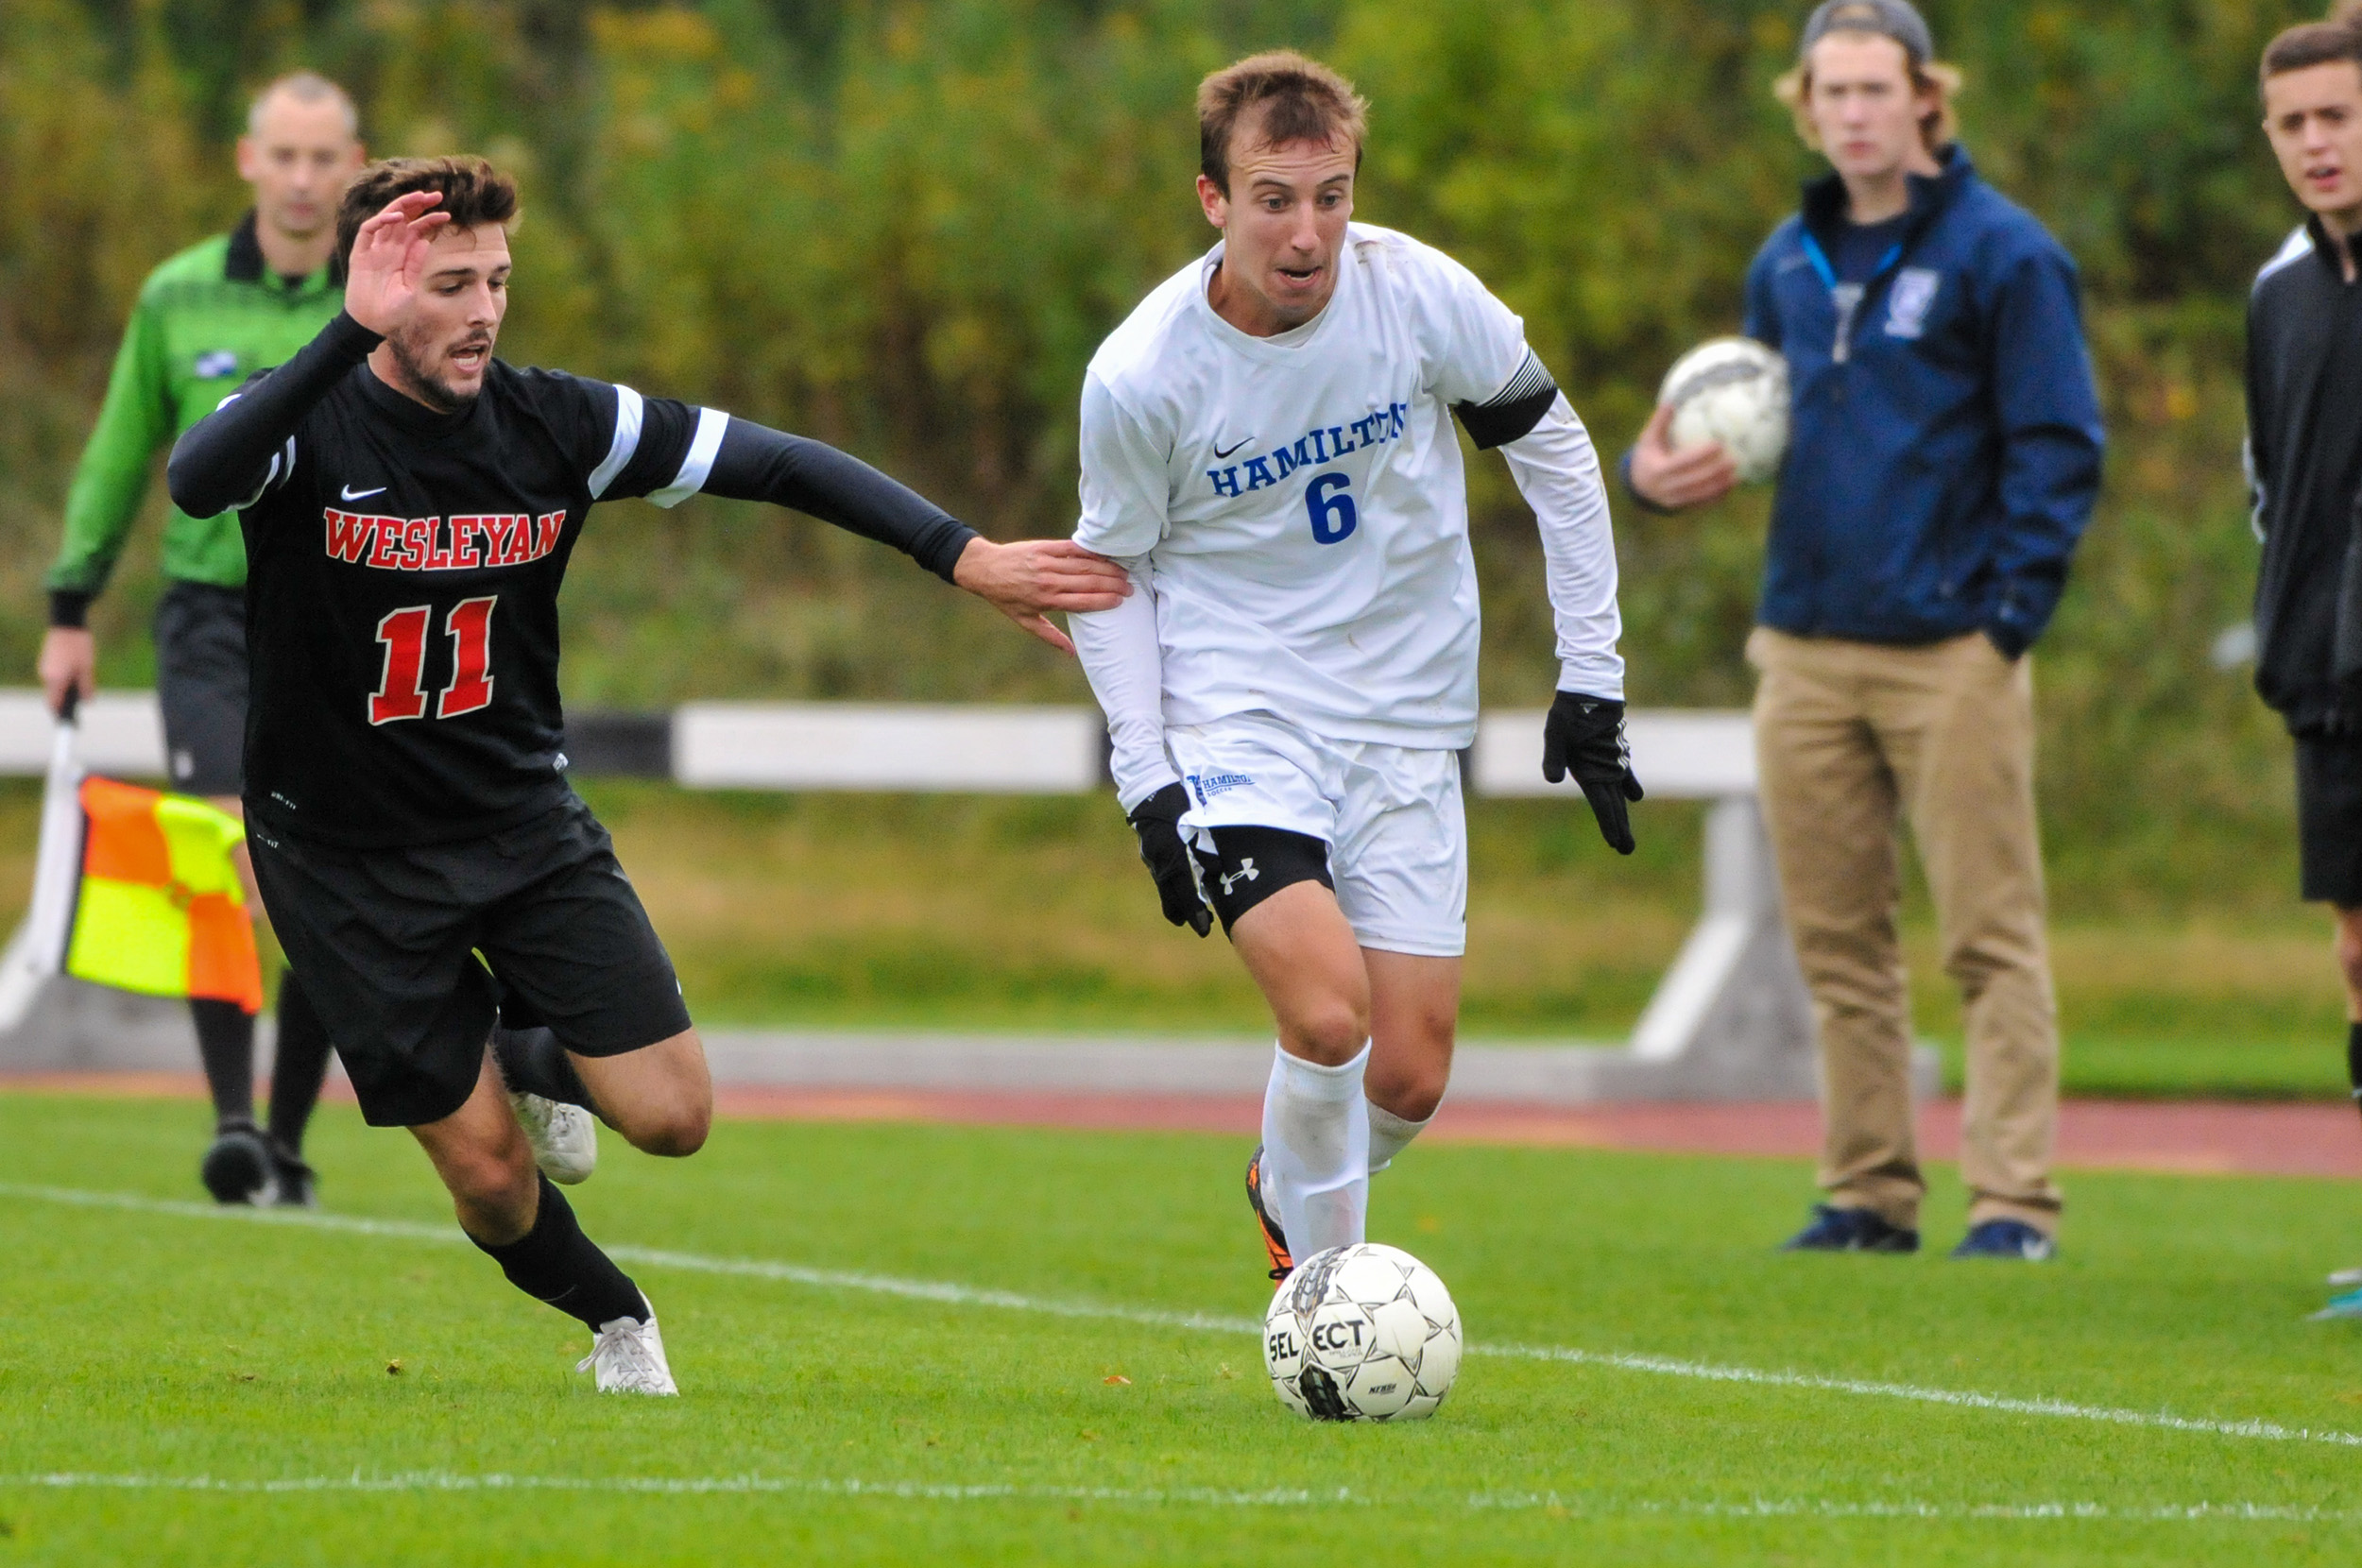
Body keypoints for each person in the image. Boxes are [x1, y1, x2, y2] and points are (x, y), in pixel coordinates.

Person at [165, 156, 1130, 1391]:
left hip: (517, 824)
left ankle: (527, 1046)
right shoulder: (310, 425)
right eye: (448, 284)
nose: (482, 311)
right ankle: (617, 1318)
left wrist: (961, 553)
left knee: (674, 1117)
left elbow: (775, 461)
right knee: (494, 1184)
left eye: (498, 281)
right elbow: (197, 480)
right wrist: (344, 334)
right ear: (377, 284)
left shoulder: (556, 424)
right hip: (343, 860)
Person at [1069, 52, 1635, 1296]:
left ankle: (1287, 1181)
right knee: (1328, 1016)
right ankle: (1326, 1310)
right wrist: (1149, 780)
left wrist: (1591, 674)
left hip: (1406, 722)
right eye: (1274, 197)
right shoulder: (1143, 373)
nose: (1309, 230)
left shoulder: (1417, 294)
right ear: (1212, 200)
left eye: (1331, 194)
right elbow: (1108, 580)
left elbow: (1553, 442)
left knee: (1409, 1076)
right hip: (1241, 714)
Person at [1624, 0, 2102, 1261]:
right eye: (1829, 92)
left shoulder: (2007, 254)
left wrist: (2008, 622)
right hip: (1803, 641)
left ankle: (2012, 1205)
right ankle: (1869, 1194)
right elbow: (1742, 423)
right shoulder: (1787, 260)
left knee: (1990, 941)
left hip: (1954, 651)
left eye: (1875, 90)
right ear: (1806, 104)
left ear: (1925, 99)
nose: (1852, 113)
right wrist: (1649, 469)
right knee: (1838, 948)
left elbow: (2060, 449)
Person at [40, 72, 370, 1208]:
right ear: (247, 159)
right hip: (209, 622)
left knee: (317, 872)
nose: (302, 178)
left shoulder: (378, 297)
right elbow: (119, 455)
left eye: (324, 158)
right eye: (283, 154)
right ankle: (233, 1124)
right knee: (222, 851)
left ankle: (285, 1141)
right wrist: (70, 608)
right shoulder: (177, 297)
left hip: (339, 612)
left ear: (354, 162)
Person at [2245, 9, 2362, 1319]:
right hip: (2329, 674)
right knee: (2358, 958)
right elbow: (2273, 484)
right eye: (2295, 122)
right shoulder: (2279, 299)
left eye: (2339, 114)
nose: (2318, 142)